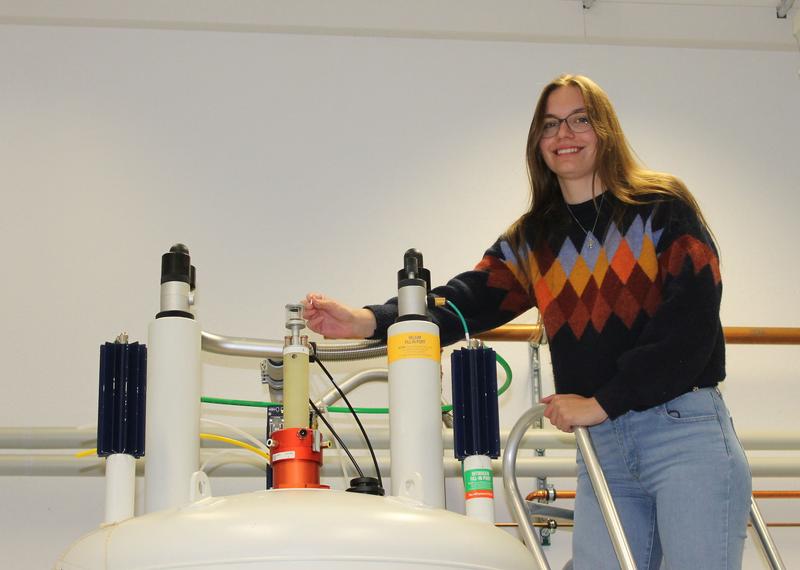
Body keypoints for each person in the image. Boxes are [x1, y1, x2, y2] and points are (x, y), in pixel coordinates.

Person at [303, 74, 751, 570]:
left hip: (681, 432)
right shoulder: (535, 238)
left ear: (606, 131)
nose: (565, 134)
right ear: (537, 143)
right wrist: (368, 320)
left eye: (581, 119)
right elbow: (465, 302)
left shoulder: (661, 207)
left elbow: (691, 322)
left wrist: (604, 401)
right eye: (550, 125)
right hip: (602, 445)